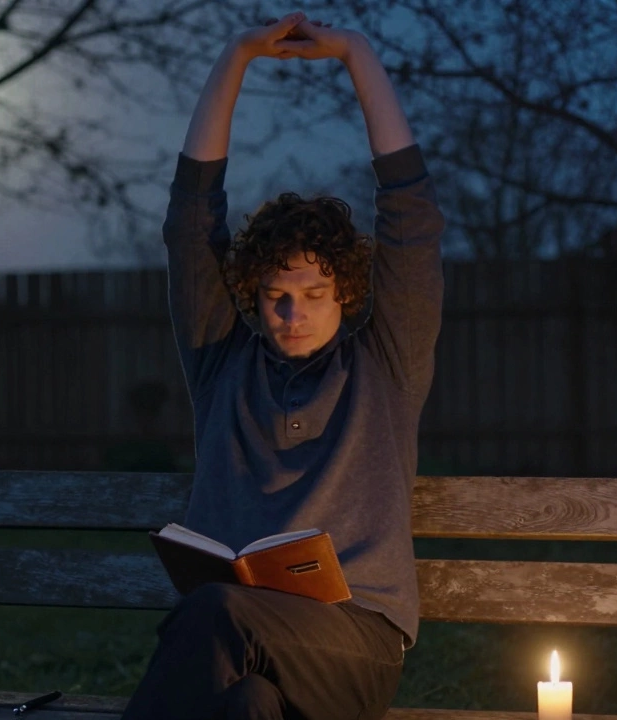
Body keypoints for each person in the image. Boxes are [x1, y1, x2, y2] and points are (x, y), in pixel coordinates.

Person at [121, 11, 445, 720]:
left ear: (346, 294)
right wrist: (236, 56)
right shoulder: (221, 365)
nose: (291, 314)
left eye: (313, 294)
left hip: (354, 647)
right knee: (246, 708)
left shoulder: (384, 367)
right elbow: (190, 223)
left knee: (216, 615)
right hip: (242, 644)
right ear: (252, 296)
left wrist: (356, 54)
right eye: (275, 296)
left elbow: (412, 219)